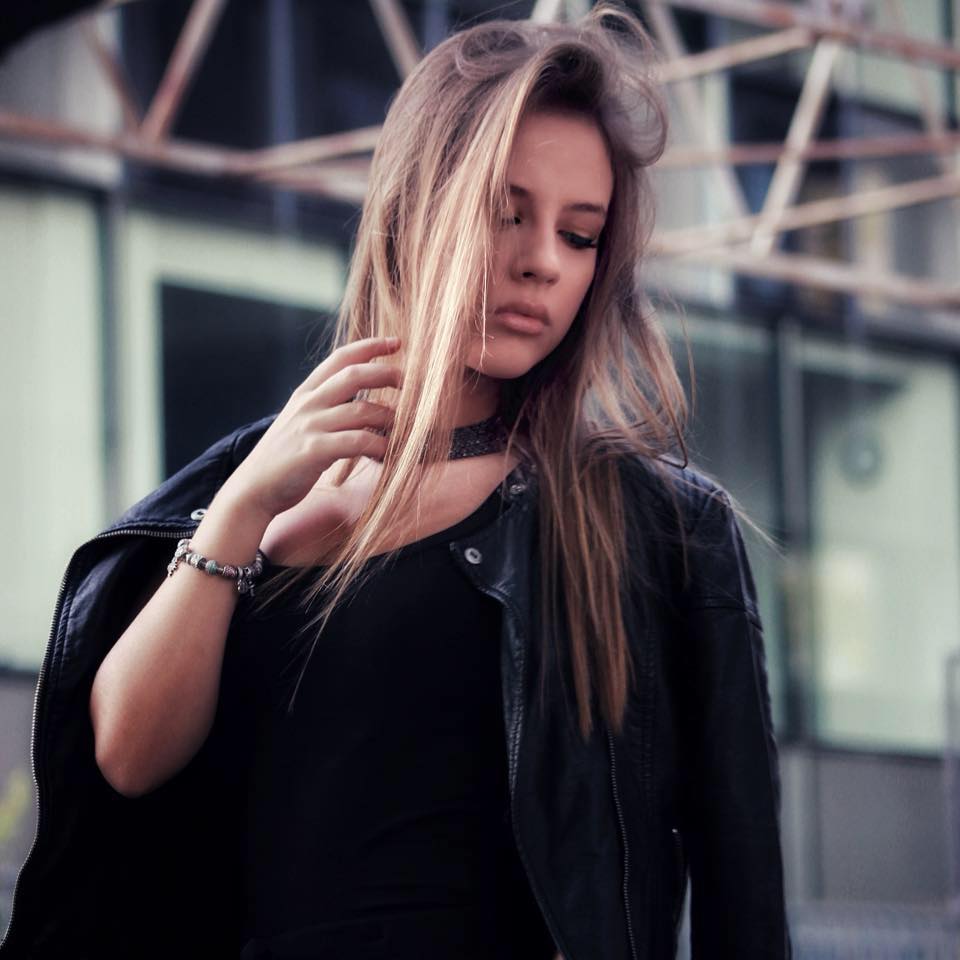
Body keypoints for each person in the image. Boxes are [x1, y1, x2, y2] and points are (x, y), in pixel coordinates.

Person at [0, 3, 791, 959]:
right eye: (507, 212)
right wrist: (241, 509)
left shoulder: (660, 529)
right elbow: (125, 761)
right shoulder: (256, 492)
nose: (542, 261)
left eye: (580, 235)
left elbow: (746, 903)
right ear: (414, 208)